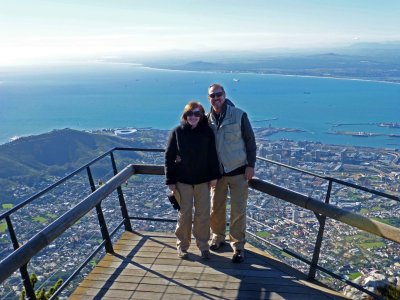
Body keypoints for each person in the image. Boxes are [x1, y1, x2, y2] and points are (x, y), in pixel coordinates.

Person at [207, 83, 256, 263]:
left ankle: (238, 246)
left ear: (225, 95)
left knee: (238, 210)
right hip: (218, 174)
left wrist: (251, 165)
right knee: (216, 208)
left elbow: (250, 141)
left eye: (218, 94)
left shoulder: (239, 115)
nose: (216, 98)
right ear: (209, 98)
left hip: (239, 171)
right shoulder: (207, 120)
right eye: (212, 95)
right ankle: (217, 237)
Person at [165, 101, 220, 260]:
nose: (194, 117)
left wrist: (214, 177)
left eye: (197, 114)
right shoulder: (178, 132)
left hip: (203, 181)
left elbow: (212, 156)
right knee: (184, 215)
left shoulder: (207, 132)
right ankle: (182, 246)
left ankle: (203, 246)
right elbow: (169, 157)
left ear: (202, 115)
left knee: (203, 215)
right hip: (183, 181)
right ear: (185, 115)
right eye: (190, 114)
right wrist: (170, 181)